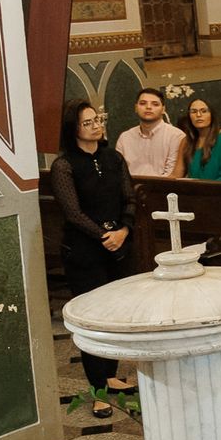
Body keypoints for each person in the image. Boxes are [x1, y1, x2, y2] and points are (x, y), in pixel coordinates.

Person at [49, 101, 135, 414]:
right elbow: (73, 213)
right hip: (84, 253)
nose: (96, 125)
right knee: (92, 320)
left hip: (118, 247)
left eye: (97, 120)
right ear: (73, 129)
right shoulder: (65, 166)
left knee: (113, 316)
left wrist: (124, 230)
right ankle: (98, 389)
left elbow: (129, 198)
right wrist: (104, 236)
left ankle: (110, 375)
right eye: (87, 123)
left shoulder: (114, 158)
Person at [118, 88, 186, 178]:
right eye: (143, 103)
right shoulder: (125, 137)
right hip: (129, 189)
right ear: (136, 108)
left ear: (163, 109)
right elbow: (119, 172)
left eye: (155, 104)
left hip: (164, 189)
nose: (148, 107)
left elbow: (172, 174)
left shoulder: (176, 136)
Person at [181, 96, 221, 180]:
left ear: (212, 114)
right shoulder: (190, 141)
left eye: (204, 111)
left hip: (218, 191)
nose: (198, 115)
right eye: (193, 112)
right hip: (193, 191)